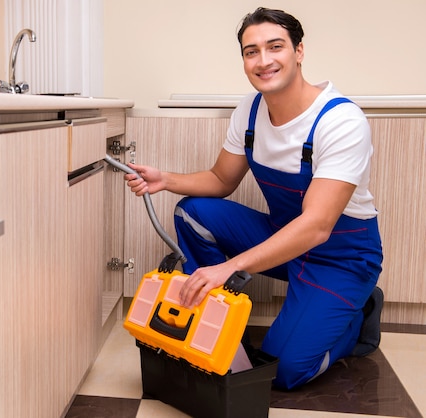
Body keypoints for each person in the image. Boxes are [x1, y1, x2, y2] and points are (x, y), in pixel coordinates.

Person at [124, 7, 383, 390]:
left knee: (285, 370)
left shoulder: (340, 121)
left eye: (274, 47)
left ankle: (358, 317)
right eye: (251, 51)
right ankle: (215, 324)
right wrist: (166, 180)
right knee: (193, 213)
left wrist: (227, 269)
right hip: (285, 238)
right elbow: (220, 179)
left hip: (340, 257)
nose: (263, 61)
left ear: (298, 51)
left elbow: (316, 226)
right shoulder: (249, 110)